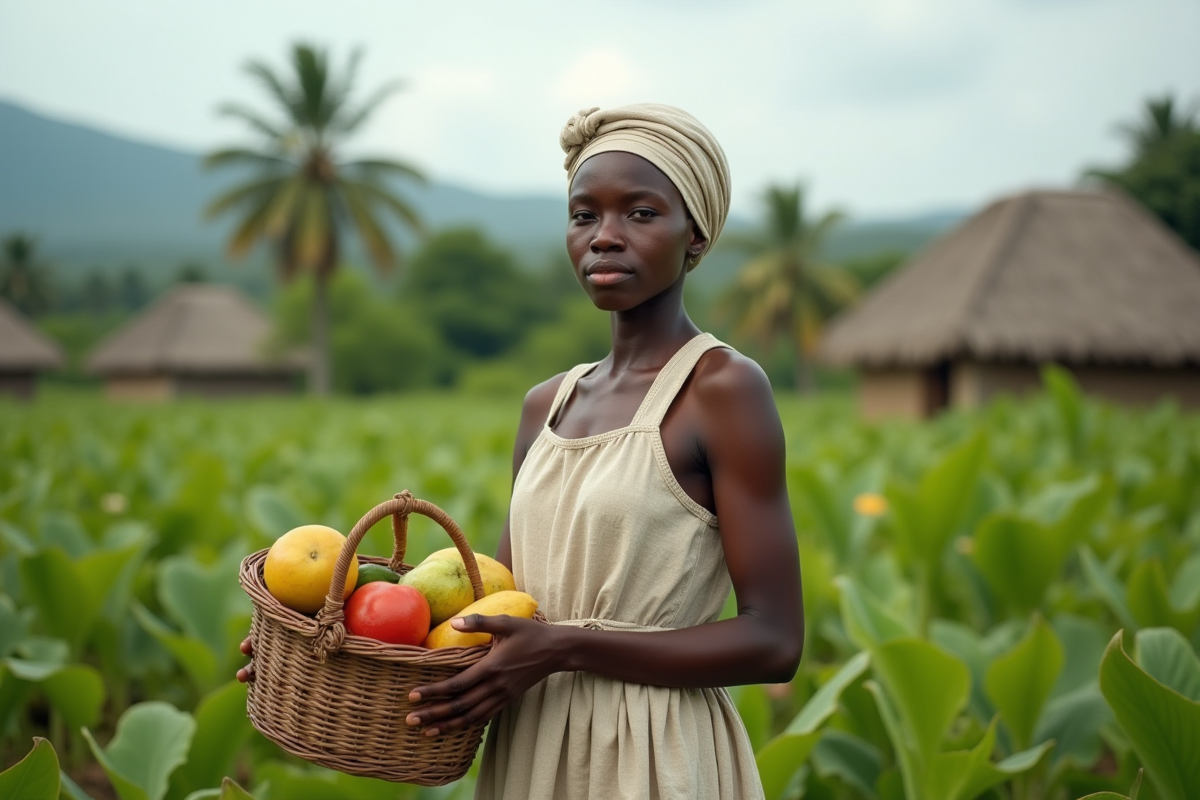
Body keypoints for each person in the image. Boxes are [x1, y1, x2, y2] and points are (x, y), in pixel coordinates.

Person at [240, 104, 803, 800]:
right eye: (583, 215)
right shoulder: (548, 404)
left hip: (653, 753)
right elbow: (502, 603)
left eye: (641, 213)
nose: (604, 237)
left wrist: (566, 647)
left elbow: (774, 639)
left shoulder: (723, 389)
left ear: (696, 235)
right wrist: (327, 641)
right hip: (533, 744)